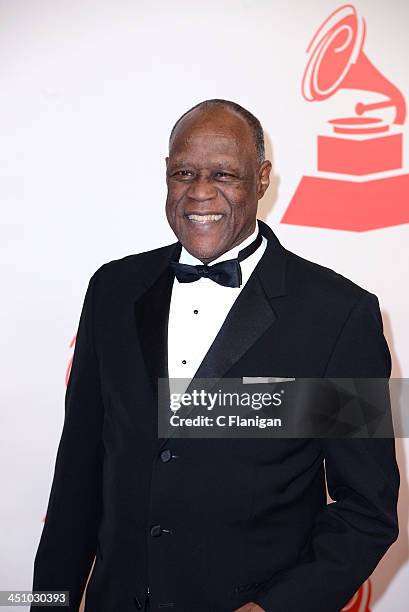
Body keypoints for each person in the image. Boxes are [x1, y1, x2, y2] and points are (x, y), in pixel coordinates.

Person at [31, 99, 399, 612]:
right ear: (166, 174)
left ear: (262, 178)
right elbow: (77, 477)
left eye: (224, 174)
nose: (200, 192)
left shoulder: (337, 316)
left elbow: (366, 510)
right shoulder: (112, 290)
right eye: (184, 172)